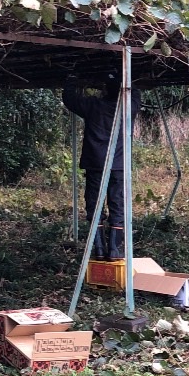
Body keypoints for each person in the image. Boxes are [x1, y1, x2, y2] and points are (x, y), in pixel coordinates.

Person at [63, 74, 142, 261]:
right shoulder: (129, 107)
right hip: (119, 165)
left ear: (105, 90)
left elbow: (70, 99)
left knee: (94, 205)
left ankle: (98, 248)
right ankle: (115, 249)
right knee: (118, 204)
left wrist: (72, 79)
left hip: (95, 164)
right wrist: (125, 77)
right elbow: (136, 90)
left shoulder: (93, 106)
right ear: (123, 91)